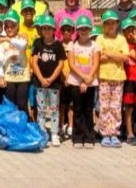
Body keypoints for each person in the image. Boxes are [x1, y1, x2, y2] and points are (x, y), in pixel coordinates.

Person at [29, 14, 66, 146]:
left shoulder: (58, 45)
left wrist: (50, 79)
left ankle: (55, 133)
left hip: (54, 84)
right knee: (42, 109)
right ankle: (42, 133)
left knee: (54, 109)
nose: (46, 31)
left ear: (54, 29)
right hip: (40, 83)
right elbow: (34, 62)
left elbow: (61, 64)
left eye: (49, 28)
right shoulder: (37, 43)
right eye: (44, 28)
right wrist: (41, 79)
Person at [66, 15, 100, 149]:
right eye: (81, 29)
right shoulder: (72, 45)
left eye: (86, 28)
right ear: (77, 30)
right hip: (75, 81)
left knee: (88, 110)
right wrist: (82, 78)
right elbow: (71, 64)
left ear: (90, 29)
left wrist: (88, 79)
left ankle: (89, 137)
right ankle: (78, 137)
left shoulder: (95, 45)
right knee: (78, 109)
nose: (84, 31)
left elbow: (96, 63)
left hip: (90, 82)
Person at [95, 11, 128, 148]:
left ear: (117, 24)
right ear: (103, 25)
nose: (110, 25)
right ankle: (104, 133)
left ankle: (114, 133)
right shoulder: (99, 39)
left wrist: (108, 53)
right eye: (107, 23)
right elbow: (99, 57)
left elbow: (125, 57)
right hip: (103, 77)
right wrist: (116, 55)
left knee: (115, 106)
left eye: (112, 22)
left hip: (118, 77)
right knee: (104, 107)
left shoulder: (121, 39)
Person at [0, 13, 30, 115]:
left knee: (22, 104)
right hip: (9, 79)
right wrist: (0, 77)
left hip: (23, 78)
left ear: (17, 27)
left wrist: (7, 39)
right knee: (9, 105)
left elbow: (22, 46)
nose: (9, 29)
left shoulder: (22, 38)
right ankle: (10, 128)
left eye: (12, 26)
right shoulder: (1, 42)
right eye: (7, 27)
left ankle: (23, 127)